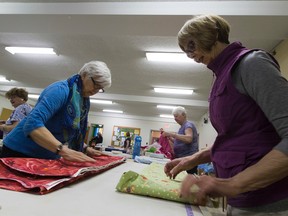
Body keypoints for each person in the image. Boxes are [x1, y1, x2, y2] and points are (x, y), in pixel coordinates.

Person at [164, 15, 288, 215]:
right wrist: (192, 159)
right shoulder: (222, 76)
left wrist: (230, 185)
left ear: (211, 35)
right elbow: (233, 139)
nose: (191, 56)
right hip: (242, 199)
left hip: (269, 201)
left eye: (191, 46)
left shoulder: (251, 64)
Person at [0, 61, 111, 163]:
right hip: (19, 151)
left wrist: (86, 148)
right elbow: (32, 123)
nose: (96, 90)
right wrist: (64, 151)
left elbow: (69, 131)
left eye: (100, 88)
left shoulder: (82, 102)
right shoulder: (60, 90)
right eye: (95, 84)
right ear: (84, 74)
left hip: (46, 155)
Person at [162, 106, 198, 173]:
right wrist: (170, 138)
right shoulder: (182, 127)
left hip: (188, 160)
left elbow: (189, 139)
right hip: (183, 159)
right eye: (174, 117)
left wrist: (172, 134)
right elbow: (178, 142)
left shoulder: (188, 125)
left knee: (188, 179)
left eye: (176, 116)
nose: (175, 119)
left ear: (183, 115)